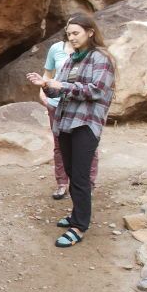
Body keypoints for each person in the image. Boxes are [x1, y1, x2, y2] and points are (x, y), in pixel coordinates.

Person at [27, 13, 115, 248]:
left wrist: (60, 85)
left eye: (76, 33)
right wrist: (45, 84)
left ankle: (79, 225)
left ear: (90, 32)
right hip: (65, 122)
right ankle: (77, 215)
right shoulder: (72, 58)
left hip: (85, 123)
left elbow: (96, 90)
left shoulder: (101, 58)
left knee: (80, 175)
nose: (72, 37)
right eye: (69, 34)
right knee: (70, 170)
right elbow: (58, 90)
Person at [41, 35, 98, 200]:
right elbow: (48, 73)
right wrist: (42, 89)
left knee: (87, 145)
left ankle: (88, 183)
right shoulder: (56, 49)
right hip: (56, 102)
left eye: (76, 31)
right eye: (69, 30)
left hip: (80, 105)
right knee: (59, 146)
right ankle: (62, 183)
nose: (72, 35)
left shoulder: (92, 53)